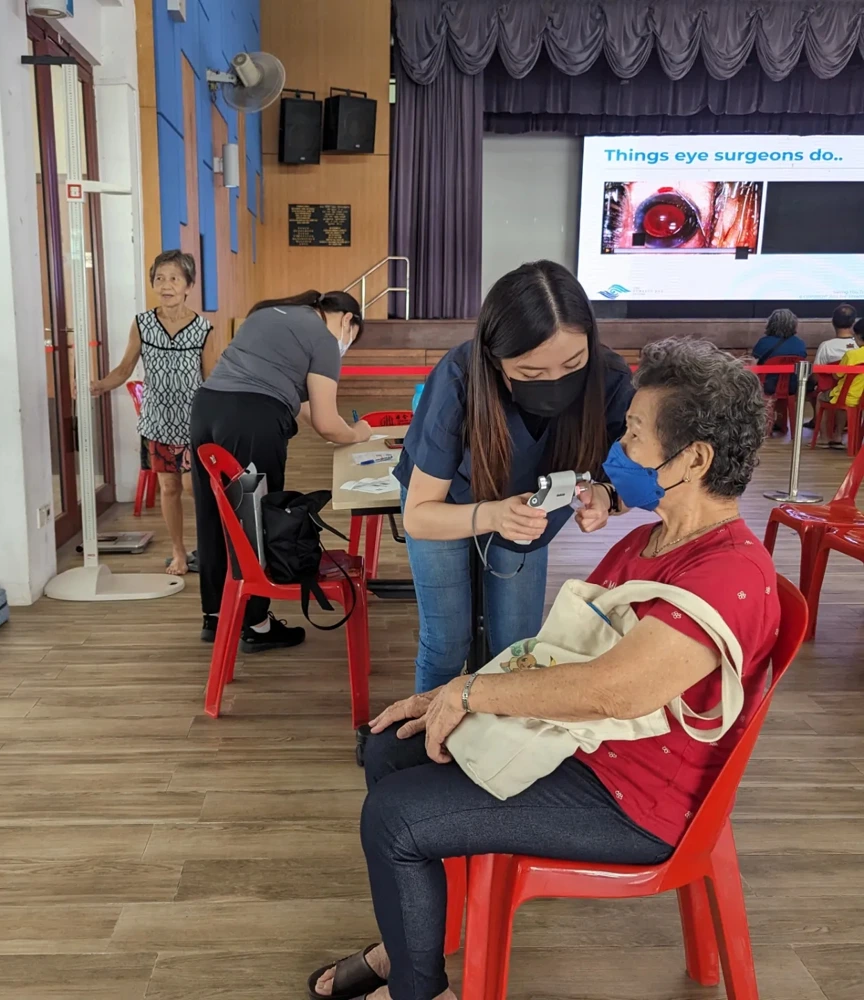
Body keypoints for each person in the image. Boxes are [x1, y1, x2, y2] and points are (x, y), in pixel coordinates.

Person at [307, 338, 780, 1000]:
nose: (617, 453)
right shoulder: (655, 537)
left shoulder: (726, 575)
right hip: (591, 749)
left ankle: (419, 985)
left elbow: (613, 691)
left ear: (694, 459)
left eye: (635, 436)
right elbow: (582, 668)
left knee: (396, 819)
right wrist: (451, 694)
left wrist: (471, 692)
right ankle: (416, 942)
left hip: (634, 799)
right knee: (388, 749)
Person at [393, 261, 634, 693]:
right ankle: (427, 743)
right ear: (495, 360)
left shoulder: (610, 378)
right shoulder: (459, 378)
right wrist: (492, 515)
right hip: (445, 505)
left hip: (528, 518)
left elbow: (639, 477)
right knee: (447, 643)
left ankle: (494, 743)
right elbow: (420, 517)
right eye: (530, 374)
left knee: (517, 648)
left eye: (572, 364)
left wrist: (608, 496)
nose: (555, 384)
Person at [192, 289, 371, 653]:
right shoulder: (323, 339)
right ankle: (256, 625)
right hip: (251, 418)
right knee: (254, 522)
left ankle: (215, 615)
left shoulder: (270, 312)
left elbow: (299, 402)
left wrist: (334, 429)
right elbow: (325, 421)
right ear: (349, 321)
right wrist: (357, 433)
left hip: (207, 408)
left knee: (214, 514)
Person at [91, 250, 209, 576]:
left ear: (188, 285)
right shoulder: (143, 324)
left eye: (174, 278)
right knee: (169, 489)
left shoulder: (203, 329)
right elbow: (124, 368)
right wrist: (100, 385)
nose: (166, 285)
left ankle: (209, 548)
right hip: (157, 421)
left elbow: (211, 378)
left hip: (192, 422)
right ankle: (179, 551)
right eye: (160, 278)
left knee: (193, 488)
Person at [813, 303, 859, 447]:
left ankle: (824, 437)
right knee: (844, 395)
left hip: (832, 391)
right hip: (855, 392)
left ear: (833, 322)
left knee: (820, 397)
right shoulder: (859, 347)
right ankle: (838, 434)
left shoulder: (826, 346)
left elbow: (816, 373)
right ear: (853, 322)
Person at [751, 307, 805, 398]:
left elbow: (753, 362)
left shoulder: (763, 342)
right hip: (792, 387)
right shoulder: (800, 344)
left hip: (766, 386)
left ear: (771, 324)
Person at [829, 317, 864, 409]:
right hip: (862, 398)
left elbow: (837, 376)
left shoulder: (851, 355)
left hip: (846, 397)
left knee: (821, 396)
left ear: (859, 336)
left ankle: (826, 424)